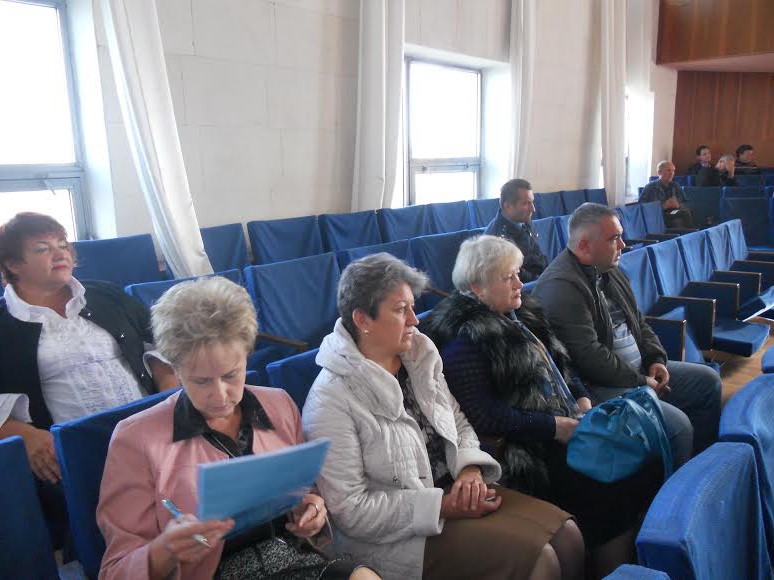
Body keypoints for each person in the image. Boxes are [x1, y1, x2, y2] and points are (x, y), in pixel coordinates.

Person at [303, 253, 585, 580]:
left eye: (412, 307)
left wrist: (470, 469)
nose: (414, 320)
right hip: (401, 538)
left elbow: (458, 421)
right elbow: (352, 511)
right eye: (401, 310)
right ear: (363, 319)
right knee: (541, 560)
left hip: (457, 492)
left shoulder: (419, 356)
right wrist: (442, 506)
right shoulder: (331, 399)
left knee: (569, 537)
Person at [97, 277, 378, 580]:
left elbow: (304, 491)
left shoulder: (278, 405)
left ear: (247, 356)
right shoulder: (135, 439)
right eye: (201, 381)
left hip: (287, 557)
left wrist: (311, 509)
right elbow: (115, 570)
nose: (220, 395)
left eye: (231, 375)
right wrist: (164, 550)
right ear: (175, 369)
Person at [419, 235, 662, 577]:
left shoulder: (521, 314)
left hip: (566, 425)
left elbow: (562, 362)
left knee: (643, 461)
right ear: (477, 287)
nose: (520, 283)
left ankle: (626, 562)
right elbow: (483, 415)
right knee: (613, 486)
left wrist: (581, 397)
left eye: (518, 273)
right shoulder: (465, 340)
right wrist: (554, 427)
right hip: (526, 448)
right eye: (509, 277)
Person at [0, 212, 177, 541]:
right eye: (42, 248)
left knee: (179, 517)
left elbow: (159, 340)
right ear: (13, 265)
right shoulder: (4, 325)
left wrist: (168, 387)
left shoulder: (105, 294)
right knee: (123, 539)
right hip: (75, 453)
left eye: (62, 244)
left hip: (150, 426)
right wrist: (21, 433)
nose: (60, 254)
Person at [532, 203, 722, 458]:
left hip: (635, 372)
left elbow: (638, 321)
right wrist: (641, 381)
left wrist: (655, 359)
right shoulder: (561, 287)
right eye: (614, 238)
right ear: (585, 245)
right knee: (678, 427)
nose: (623, 245)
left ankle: (703, 464)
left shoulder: (610, 271)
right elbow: (590, 358)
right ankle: (676, 482)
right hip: (596, 386)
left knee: (707, 382)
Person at [484, 178, 547, 282]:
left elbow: (537, 255)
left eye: (532, 202)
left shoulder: (523, 220)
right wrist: (541, 281)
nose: (533, 209)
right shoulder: (497, 238)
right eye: (526, 203)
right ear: (508, 205)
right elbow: (516, 275)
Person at [639, 161, 692, 228]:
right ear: (659, 172)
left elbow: (687, 203)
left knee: (685, 213)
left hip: (673, 213)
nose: (672, 173)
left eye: (673, 171)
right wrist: (663, 206)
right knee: (679, 218)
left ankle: (689, 233)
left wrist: (678, 205)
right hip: (658, 216)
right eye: (668, 170)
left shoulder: (675, 186)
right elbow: (641, 208)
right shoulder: (650, 187)